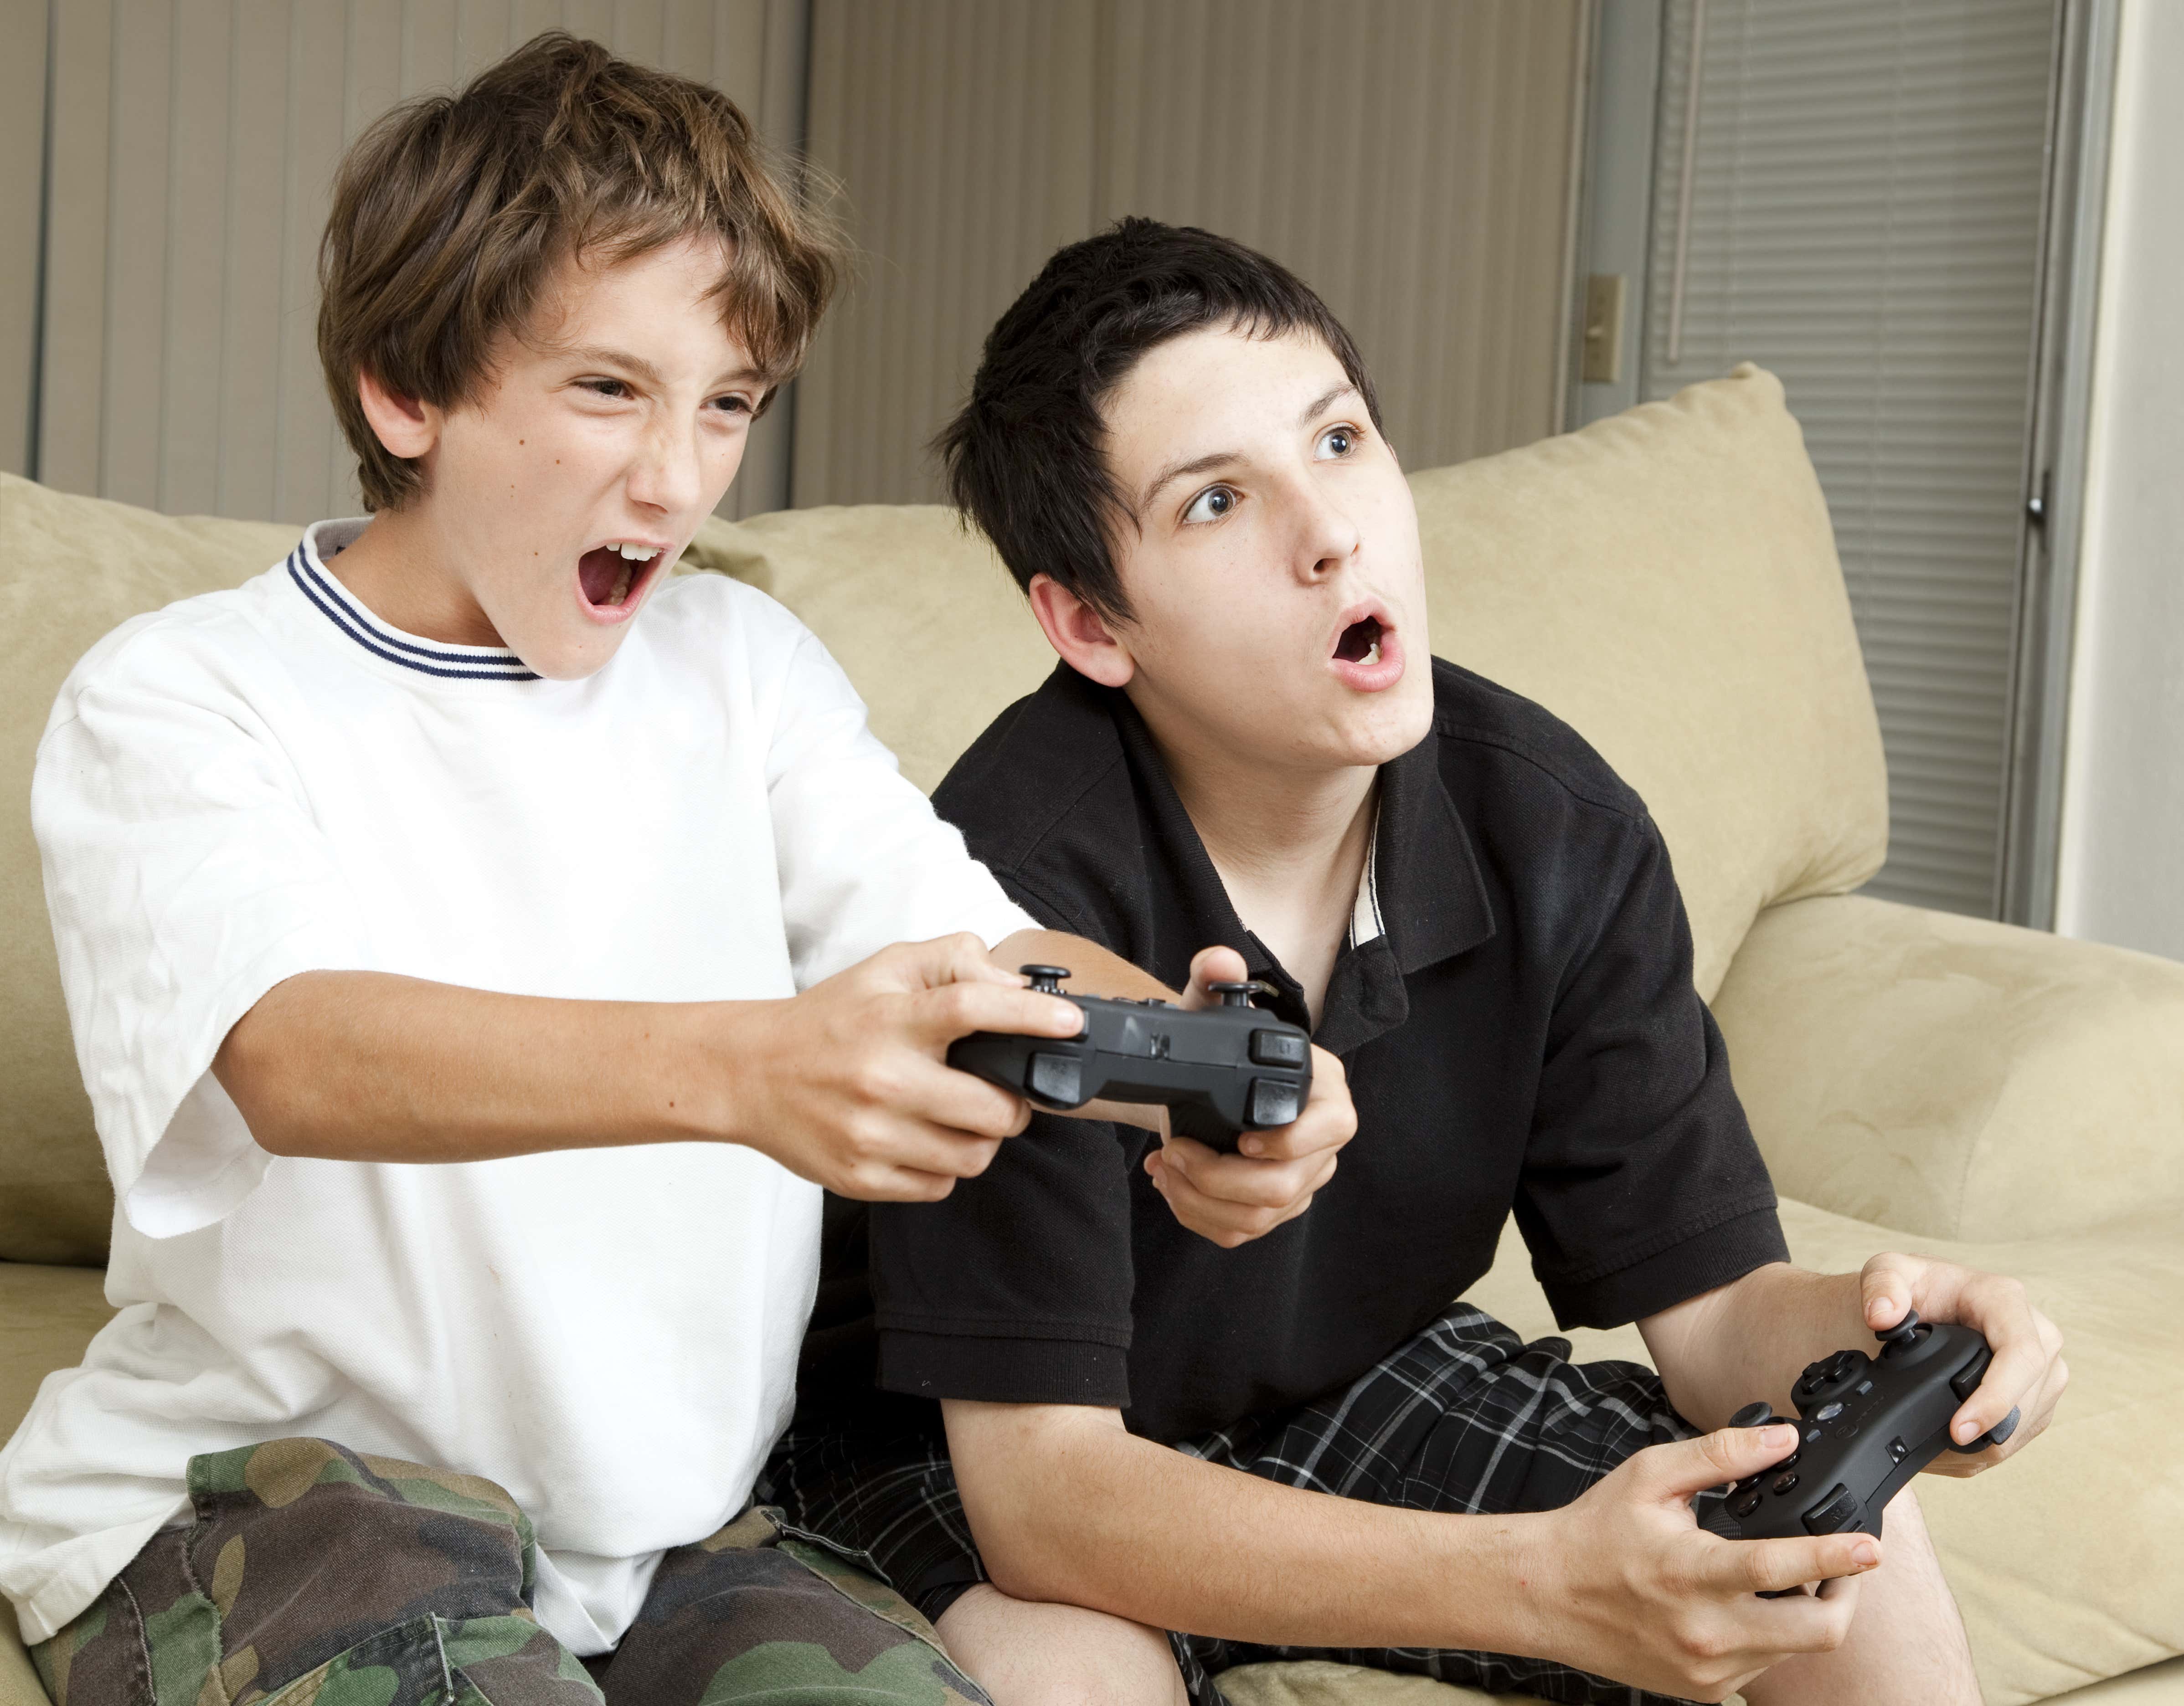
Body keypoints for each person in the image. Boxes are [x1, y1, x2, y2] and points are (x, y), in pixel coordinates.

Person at [0, 58, 1352, 1706]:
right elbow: (288, 1050)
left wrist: (1194, 1063)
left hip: (671, 1541)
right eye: (608, 391)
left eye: (727, 404)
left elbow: (980, 953)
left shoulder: (742, 666)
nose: (679, 480)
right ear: (406, 391)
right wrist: (751, 1068)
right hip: (282, 1507)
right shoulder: (184, 694)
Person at [764, 220, 2071, 1706]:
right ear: (1091, 622)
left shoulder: (1555, 827)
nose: (1329, 531)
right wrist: (1550, 1586)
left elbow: (1716, 1320)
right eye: (1215, 501)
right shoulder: (1003, 890)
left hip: (1343, 1376)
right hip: (973, 1440)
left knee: (1833, 1545)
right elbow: (1050, 1501)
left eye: (1338, 441)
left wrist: (1894, 1333)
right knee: (1064, 1672)